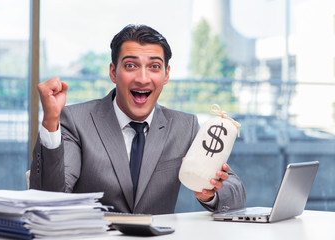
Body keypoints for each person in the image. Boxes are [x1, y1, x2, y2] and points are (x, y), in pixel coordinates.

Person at [30, 24, 246, 214]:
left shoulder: (184, 126)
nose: (143, 78)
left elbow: (236, 194)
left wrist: (210, 193)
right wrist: (51, 121)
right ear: (114, 72)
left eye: (154, 67)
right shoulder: (76, 121)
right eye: (131, 66)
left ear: (166, 75)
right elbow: (51, 197)